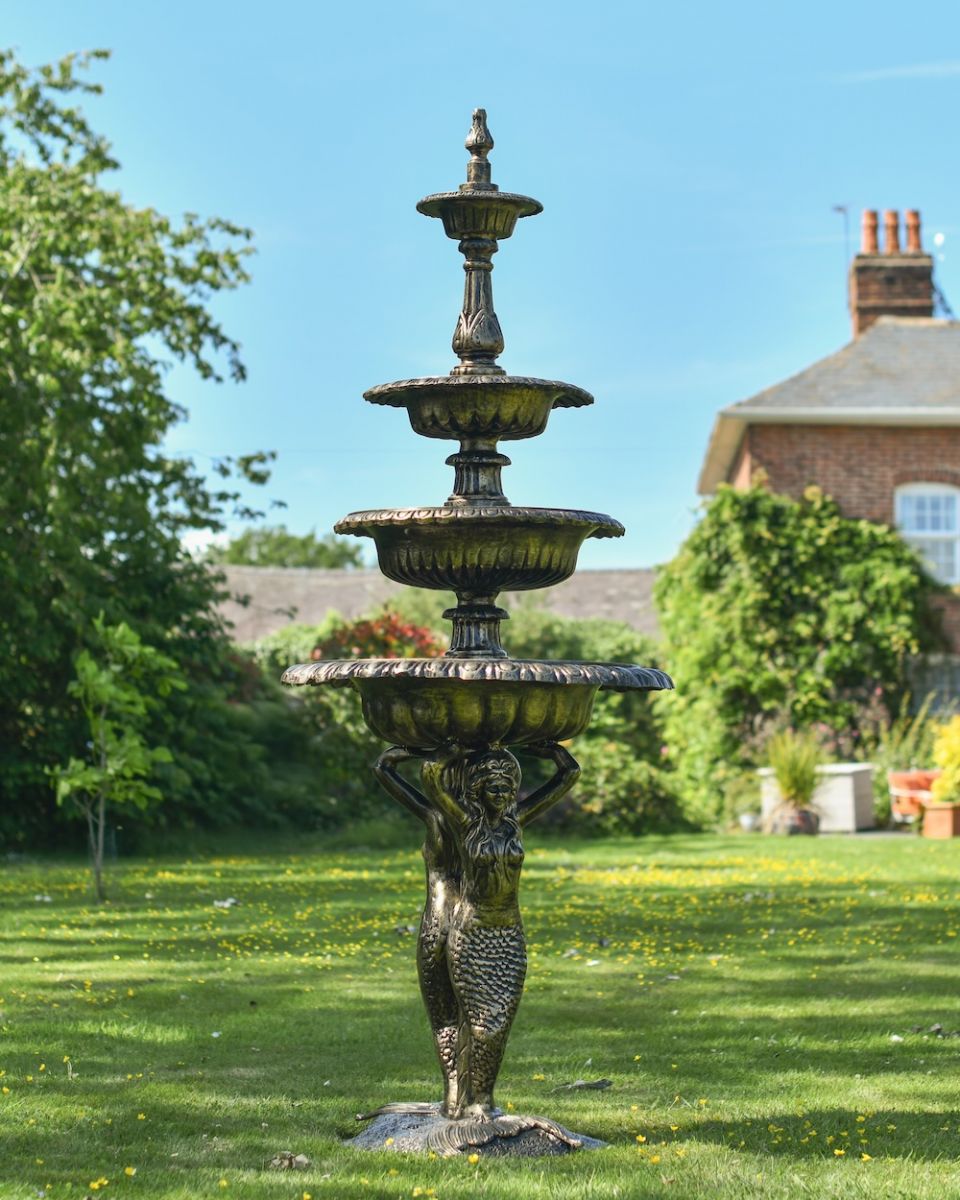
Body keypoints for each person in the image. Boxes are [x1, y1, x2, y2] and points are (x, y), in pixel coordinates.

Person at [375, 740, 580, 1119]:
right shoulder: (465, 823)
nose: (502, 796)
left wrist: (546, 749)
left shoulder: (516, 818)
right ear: (478, 791)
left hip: (509, 931)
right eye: (493, 788)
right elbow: (432, 780)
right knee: (478, 1022)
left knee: (498, 1021)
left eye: (507, 788)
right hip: (471, 930)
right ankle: (468, 1098)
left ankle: (481, 1097)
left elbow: (569, 774)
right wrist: (449, 747)